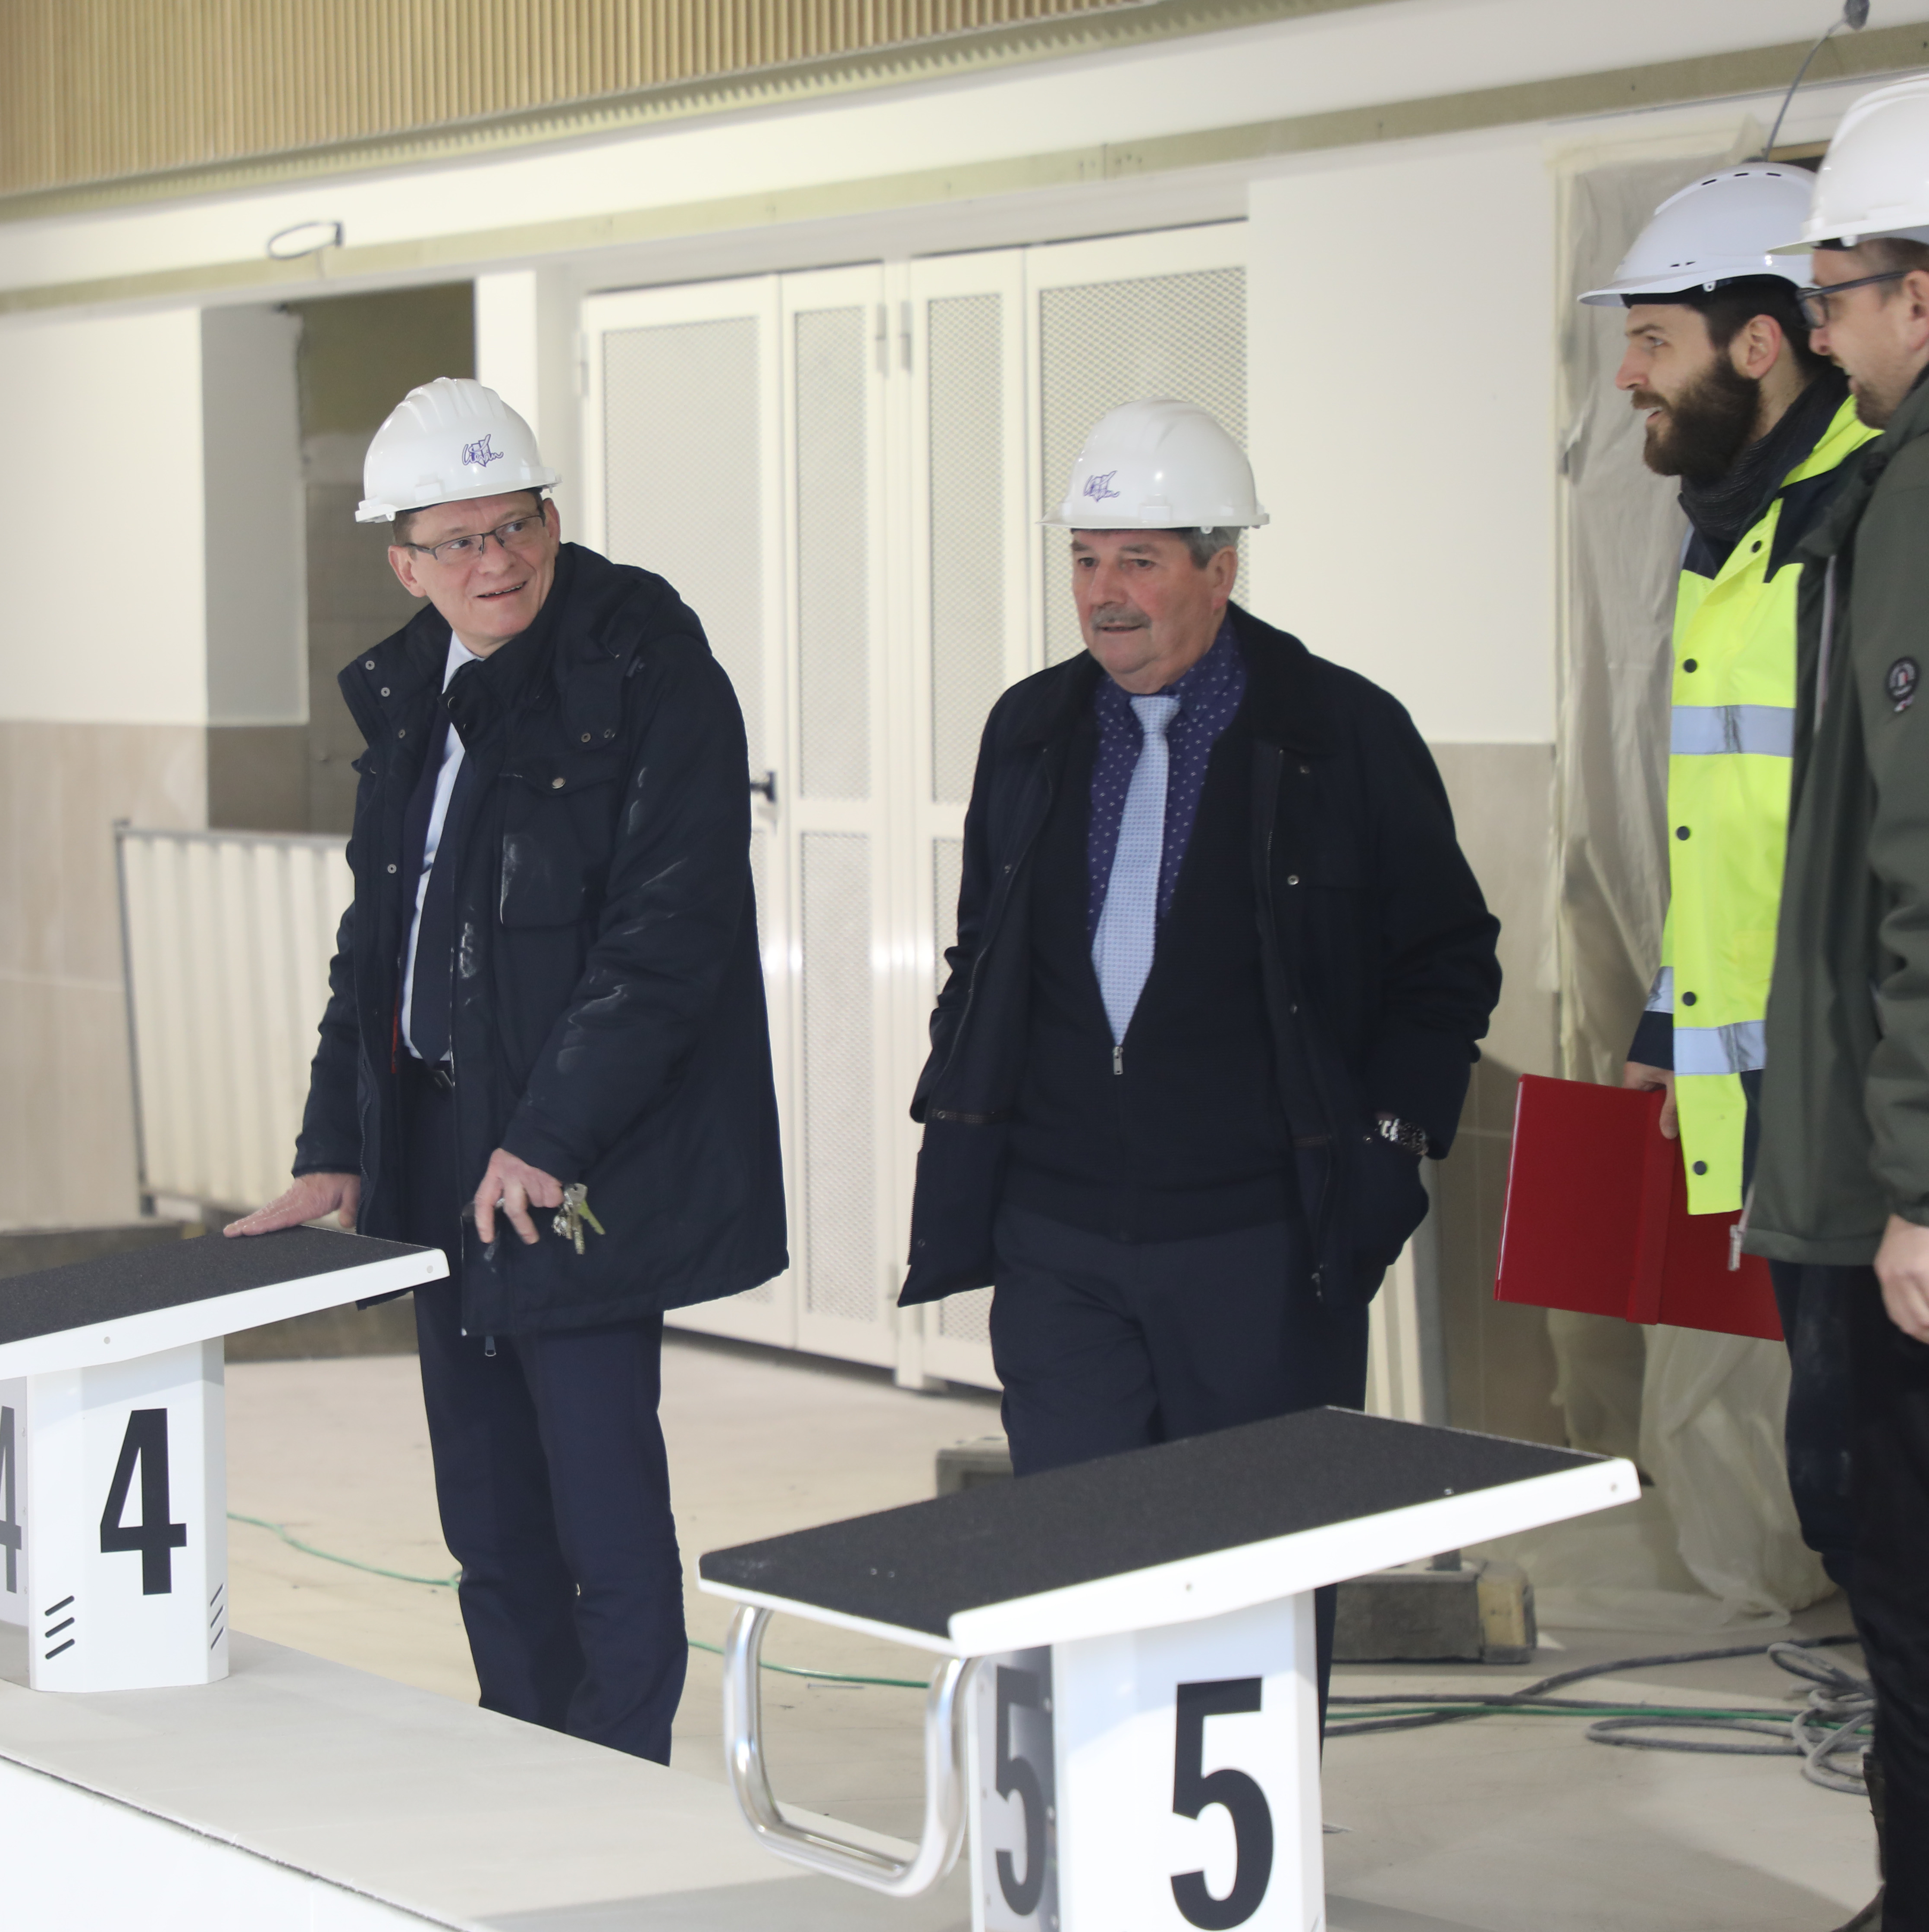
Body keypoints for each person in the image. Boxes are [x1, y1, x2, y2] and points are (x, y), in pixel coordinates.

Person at [226, 377, 785, 1765]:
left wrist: (547, 1138)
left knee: (601, 1504)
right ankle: (522, 1764)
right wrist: (336, 1146)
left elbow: (668, 936)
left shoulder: (645, 663)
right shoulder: (418, 692)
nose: (498, 562)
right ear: (405, 564)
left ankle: (616, 1783)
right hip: (437, 1151)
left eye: (518, 524)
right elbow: (381, 941)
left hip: (567, 1162)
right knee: (487, 1511)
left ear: (552, 519)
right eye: (460, 541)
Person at [898, 400, 1501, 1667]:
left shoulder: (1341, 734)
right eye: (1085, 559)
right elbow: (984, 949)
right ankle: (1098, 1796)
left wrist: (1390, 1147)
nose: (1103, 594)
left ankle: (1238, 1807)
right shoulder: (1031, 730)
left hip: (1259, 1246)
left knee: (1254, 1593)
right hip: (1058, 1240)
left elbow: (1446, 960)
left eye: (1141, 560)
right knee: (1076, 1580)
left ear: (1222, 571)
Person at [1587, 164, 1873, 1599]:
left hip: (1864, 1093)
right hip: (1781, 1087)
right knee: (1846, 1465)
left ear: (1760, 344)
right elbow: (1736, 823)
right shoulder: (1733, 526)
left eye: (1654, 339)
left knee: (1871, 1466)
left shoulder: (1861, 517)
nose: (1627, 374)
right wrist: (1669, 1016)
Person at [1744, 72, 1929, 1930]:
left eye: (1839, 291)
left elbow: (1926, 865)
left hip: (1897, 1194)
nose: (1820, 329)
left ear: (1923, 296)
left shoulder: (1916, 502)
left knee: (1902, 1568)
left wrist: (1918, 1188)